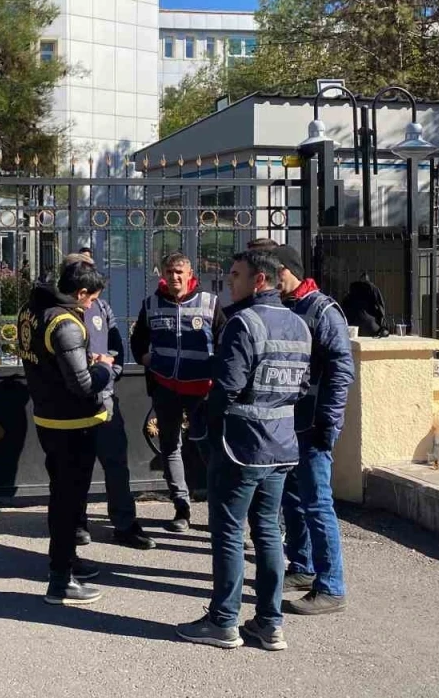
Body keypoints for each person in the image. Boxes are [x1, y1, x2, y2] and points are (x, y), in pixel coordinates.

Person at [177, 249, 312, 651]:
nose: (229, 282)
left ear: (259, 280)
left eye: (236, 275)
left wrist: (204, 426)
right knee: (268, 532)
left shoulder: (243, 323)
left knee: (230, 533)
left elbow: (227, 387)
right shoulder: (299, 323)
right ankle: (270, 623)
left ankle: (223, 621)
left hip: (241, 445)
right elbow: (303, 386)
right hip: (282, 444)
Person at [17, 259, 115, 605]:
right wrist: (105, 369)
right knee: (68, 500)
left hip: (49, 416)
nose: (90, 307)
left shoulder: (31, 309)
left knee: (64, 494)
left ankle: (68, 560)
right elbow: (82, 384)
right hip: (73, 422)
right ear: (80, 292)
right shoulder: (64, 323)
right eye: (91, 300)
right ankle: (60, 578)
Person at [272, 245, 355, 616]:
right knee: (293, 498)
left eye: (275, 273)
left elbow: (341, 369)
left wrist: (329, 421)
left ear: (289, 271)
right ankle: (302, 566)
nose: (270, 280)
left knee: (318, 503)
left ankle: (331, 586)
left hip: (313, 423)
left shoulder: (322, 310)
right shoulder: (284, 307)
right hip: (288, 422)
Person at [64, 253, 156, 552]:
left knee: (116, 464)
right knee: (76, 468)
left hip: (104, 400)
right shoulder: (59, 312)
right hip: (72, 404)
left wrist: (110, 369)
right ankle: (76, 523)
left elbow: (116, 346)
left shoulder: (101, 308)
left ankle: (125, 524)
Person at [129, 252, 225, 533]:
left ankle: (219, 511)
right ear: (163, 274)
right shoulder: (151, 304)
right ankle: (181, 508)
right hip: (165, 388)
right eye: (170, 272)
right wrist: (144, 358)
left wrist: (217, 371)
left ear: (190, 274)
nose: (174, 277)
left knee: (209, 449)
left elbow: (224, 340)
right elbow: (138, 339)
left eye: (179, 272)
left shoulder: (210, 303)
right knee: (170, 447)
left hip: (202, 390)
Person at [342, 272, 389, 337]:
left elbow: (344, 308)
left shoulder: (353, 290)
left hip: (354, 327)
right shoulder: (373, 289)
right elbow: (381, 307)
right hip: (370, 327)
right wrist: (383, 324)